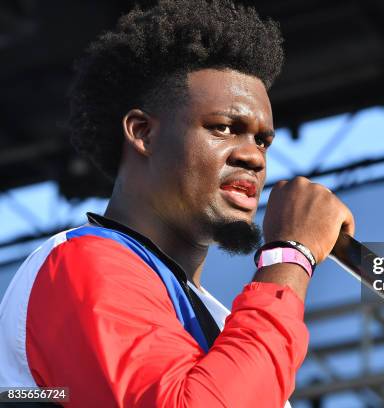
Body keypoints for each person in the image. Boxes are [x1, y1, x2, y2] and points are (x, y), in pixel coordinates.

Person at [0, 0, 354, 406]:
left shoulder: (222, 323)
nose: (254, 157)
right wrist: (291, 256)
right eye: (223, 128)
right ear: (142, 133)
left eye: (262, 140)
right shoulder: (81, 261)